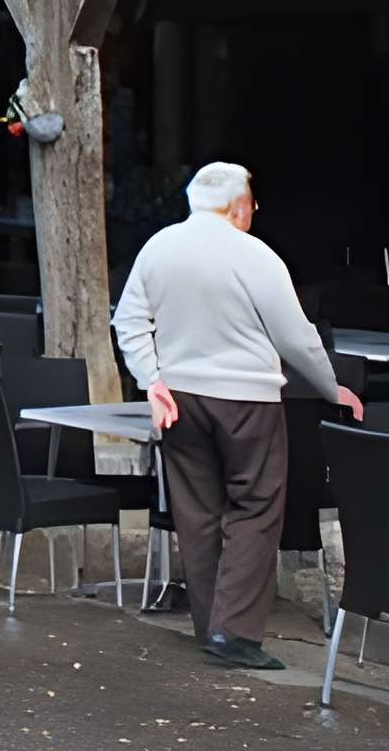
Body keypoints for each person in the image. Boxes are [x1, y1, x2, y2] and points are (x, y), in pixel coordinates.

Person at [112, 160, 361, 672]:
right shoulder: (256, 255)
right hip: (248, 398)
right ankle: (236, 634)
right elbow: (297, 335)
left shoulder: (158, 248)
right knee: (256, 507)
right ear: (239, 207)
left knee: (196, 514)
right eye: (250, 200)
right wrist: (330, 387)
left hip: (179, 395)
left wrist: (151, 380)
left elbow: (129, 320)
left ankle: (211, 627)